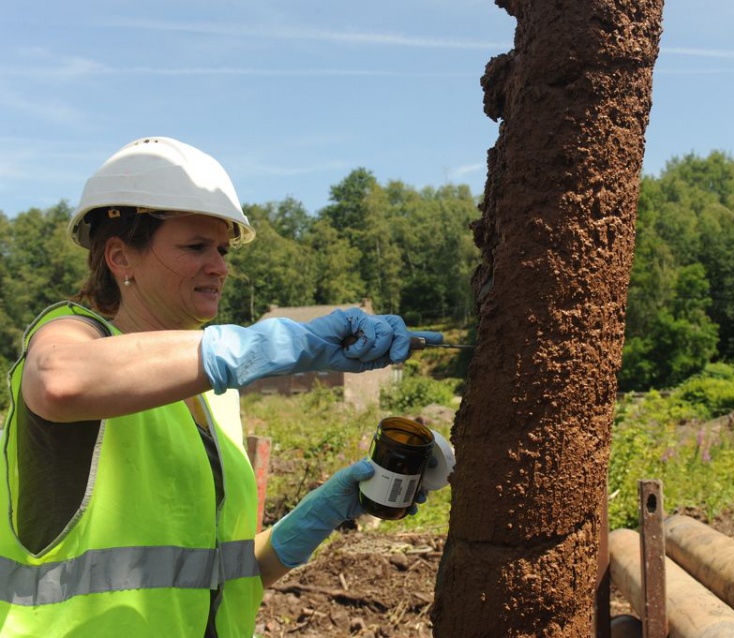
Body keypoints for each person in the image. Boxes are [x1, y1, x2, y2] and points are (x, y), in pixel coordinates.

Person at [0, 136, 441, 637]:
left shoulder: (216, 394)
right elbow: (57, 380)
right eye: (196, 247)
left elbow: (212, 577)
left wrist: (318, 516)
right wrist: (264, 346)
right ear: (120, 257)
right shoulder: (74, 333)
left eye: (223, 249)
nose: (221, 266)